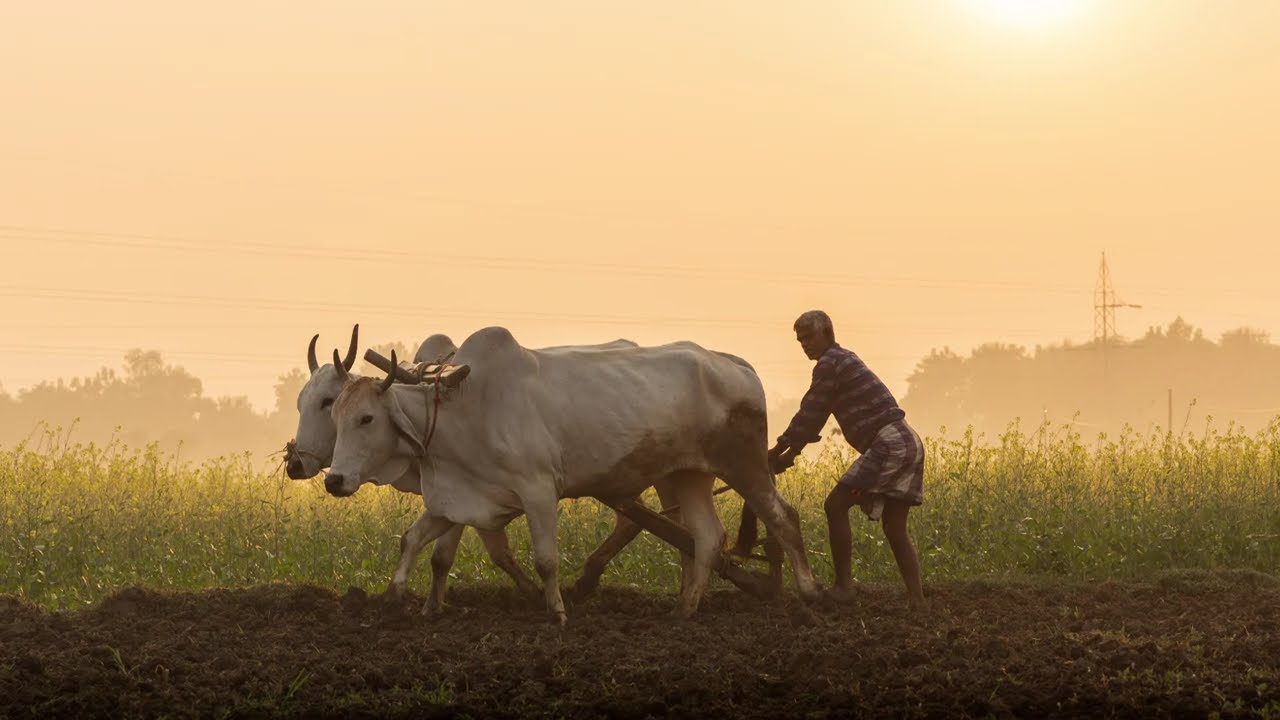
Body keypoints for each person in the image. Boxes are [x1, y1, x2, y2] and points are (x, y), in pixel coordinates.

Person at [769, 310, 925, 605]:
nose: (805, 345)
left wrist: (778, 451)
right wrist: (791, 452)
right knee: (894, 527)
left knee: (836, 505)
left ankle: (843, 587)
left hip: (890, 444)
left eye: (809, 338)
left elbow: (811, 412)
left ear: (828, 333)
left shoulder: (830, 363)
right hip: (908, 441)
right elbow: (817, 414)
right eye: (800, 340)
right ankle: (917, 599)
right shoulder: (842, 360)